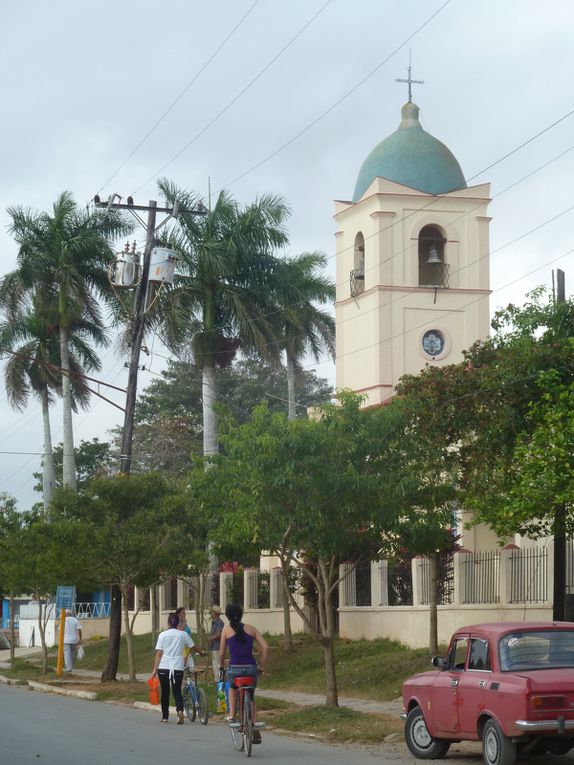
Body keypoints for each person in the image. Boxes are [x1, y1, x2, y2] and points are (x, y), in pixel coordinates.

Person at [219, 603, 268, 743]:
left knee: (233, 688)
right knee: (251, 695)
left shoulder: (226, 630)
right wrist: (261, 666)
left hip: (234, 668)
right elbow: (265, 647)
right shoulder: (251, 629)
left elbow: (222, 653)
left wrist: (221, 667)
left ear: (227, 616)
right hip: (251, 668)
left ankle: (232, 715)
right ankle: (253, 723)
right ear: (241, 615)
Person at [152, 612, 196, 724]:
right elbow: (193, 646)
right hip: (177, 667)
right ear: (178, 623)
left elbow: (159, 653)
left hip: (164, 667)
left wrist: (154, 670)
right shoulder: (183, 635)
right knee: (177, 691)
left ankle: (165, 717)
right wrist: (202, 652)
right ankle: (180, 711)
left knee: (165, 692)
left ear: (168, 623)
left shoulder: (162, 635)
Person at [63, 608, 82, 673]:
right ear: (70, 614)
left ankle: (68, 669)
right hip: (74, 640)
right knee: (73, 654)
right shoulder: (75, 620)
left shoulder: (63, 620)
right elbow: (79, 629)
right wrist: (80, 639)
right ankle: (71, 667)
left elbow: (59, 630)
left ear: (65, 614)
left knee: (67, 654)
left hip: (66, 641)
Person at [208, 605, 224, 681]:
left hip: (217, 646)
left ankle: (218, 680)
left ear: (215, 613)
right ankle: (217, 679)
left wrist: (210, 639)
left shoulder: (219, 622)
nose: (211, 613)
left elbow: (219, 634)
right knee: (215, 663)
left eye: (212, 612)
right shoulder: (214, 622)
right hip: (214, 646)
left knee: (217, 663)